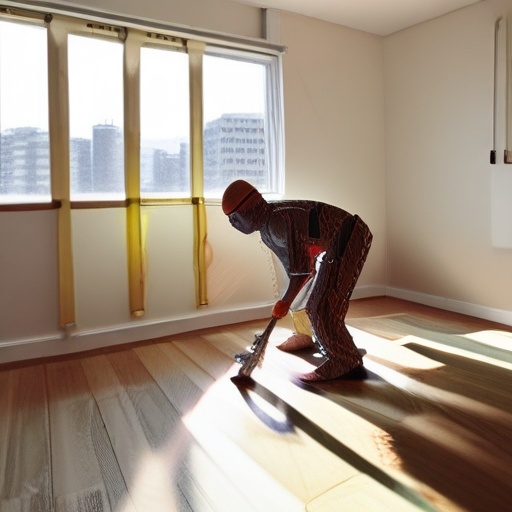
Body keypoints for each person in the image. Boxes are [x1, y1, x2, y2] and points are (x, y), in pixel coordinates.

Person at [222, 180, 373, 382]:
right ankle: (310, 337)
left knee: (322, 306)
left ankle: (344, 359)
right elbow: (297, 270)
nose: (232, 223)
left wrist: (285, 301)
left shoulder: (277, 222)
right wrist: (290, 298)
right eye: (230, 219)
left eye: (235, 217)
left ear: (251, 209)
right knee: (304, 296)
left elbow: (301, 272)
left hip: (350, 235)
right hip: (333, 243)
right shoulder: (267, 230)